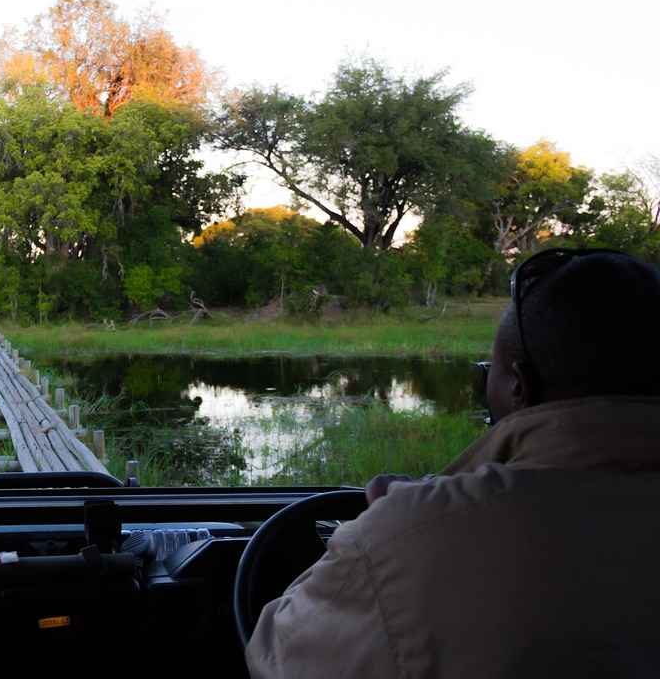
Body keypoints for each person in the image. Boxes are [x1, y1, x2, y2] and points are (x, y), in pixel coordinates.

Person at [247, 249, 660, 678]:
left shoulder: (404, 537)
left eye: (488, 372)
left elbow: (276, 654)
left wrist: (385, 525)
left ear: (518, 385)